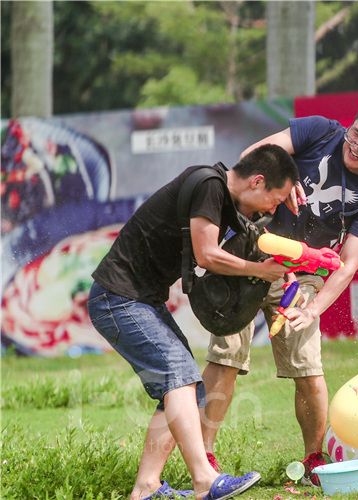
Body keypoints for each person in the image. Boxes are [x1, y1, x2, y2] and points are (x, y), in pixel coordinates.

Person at [201, 95, 358, 485]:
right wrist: (286, 178)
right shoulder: (320, 131)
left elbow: (347, 265)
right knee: (225, 357)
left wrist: (313, 309)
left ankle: (314, 459)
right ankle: (204, 459)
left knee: (308, 367)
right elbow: (250, 159)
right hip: (250, 256)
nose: (356, 145)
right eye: (356, 132)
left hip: (302, 278)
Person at [87, 145, 299, 500]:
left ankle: (146, 487)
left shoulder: (223, 199)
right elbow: (207, 255)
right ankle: (205, 480)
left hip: (138, 299)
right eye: (274, 200)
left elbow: (247, 241)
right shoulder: (209, 186)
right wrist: (259, 270)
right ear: (257, 181)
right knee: (179, 376)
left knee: (185, 386)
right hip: (118, 298)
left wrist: (281, 264)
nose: (272, 210)